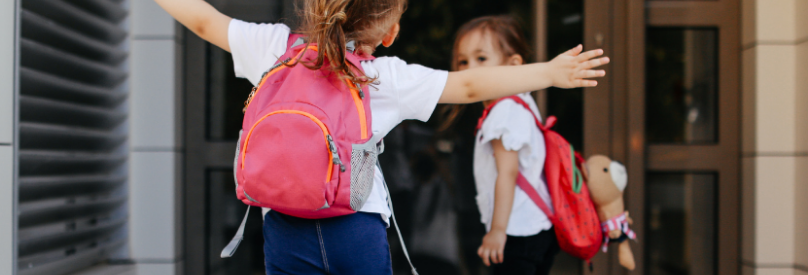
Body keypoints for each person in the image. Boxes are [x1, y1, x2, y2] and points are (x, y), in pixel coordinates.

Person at [152, 1, 609, 274]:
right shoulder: (381, 76)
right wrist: (549, 72)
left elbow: (203, 21)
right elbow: (467, 86)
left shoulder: (275, 48)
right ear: (389, 32)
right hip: (356, 227)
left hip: (283, 226)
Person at [450, 16, 559, 275]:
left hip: (516, 232)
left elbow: (507, 173)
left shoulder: (503, 112)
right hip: (538, 227)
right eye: (463, 61)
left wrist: (497, 231)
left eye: (481, 58)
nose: (470, 69)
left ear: (514, 65)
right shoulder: (523, 102)